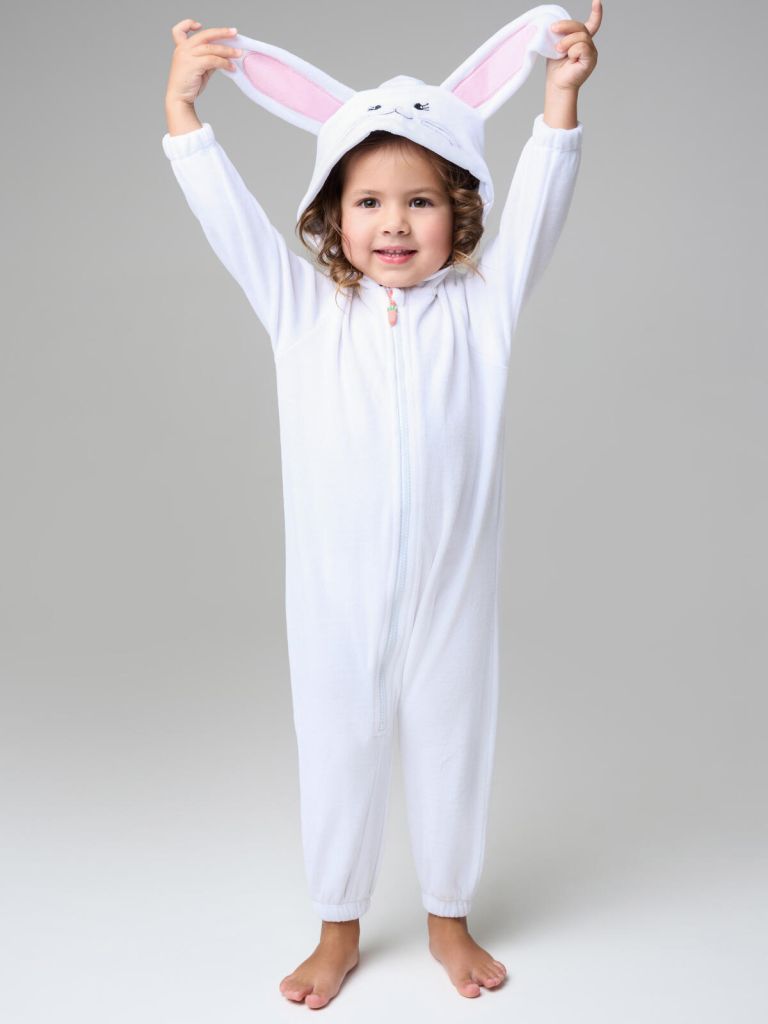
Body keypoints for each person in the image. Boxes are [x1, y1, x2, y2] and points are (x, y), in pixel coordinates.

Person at [162, 2, 601, 1007]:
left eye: (420, 201)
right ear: (331, 216)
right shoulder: (303, 312)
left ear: (463, 212)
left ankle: (449, 916)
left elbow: (543, 203)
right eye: (367, 201)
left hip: (453, 585)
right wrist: (185, 118)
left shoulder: (484, 309)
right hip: (334, 593)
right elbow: (229, 221)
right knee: (338, 749)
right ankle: (337, 928)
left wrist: (560, 99)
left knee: (453, 742)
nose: (394, 223)